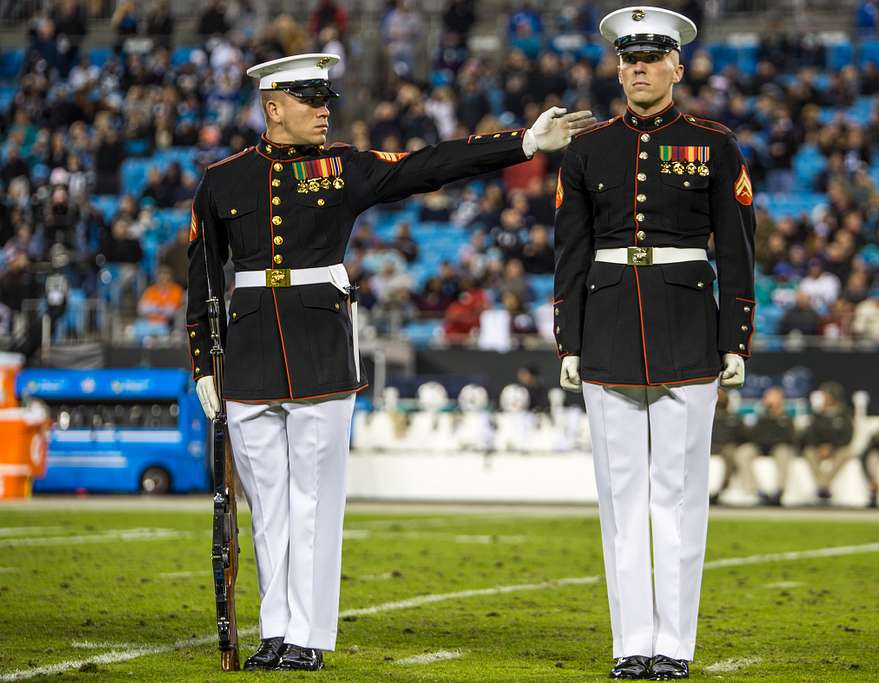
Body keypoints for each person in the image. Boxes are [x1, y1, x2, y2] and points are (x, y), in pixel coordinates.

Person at [186, 53, 594, 672]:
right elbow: (203, 281)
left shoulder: (344, 167)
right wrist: (203, 364)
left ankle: (309, 635)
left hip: (321, 346)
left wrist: (524, 143)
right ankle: (274, 628)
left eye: (326, 99)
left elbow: (426, 167)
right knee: (266, 505)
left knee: (316, 501)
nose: (325, 109)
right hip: (247, 350)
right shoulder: (222, 180)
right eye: (309, 100)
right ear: (273, 107)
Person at [553, 8, 755, 679]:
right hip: (608, 324)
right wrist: (568, 339)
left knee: (678, 494)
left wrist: (737, 338)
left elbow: (737, 248)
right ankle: (630, 642)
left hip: (689, 326)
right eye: (628, 59)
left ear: (677, 65)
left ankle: (674, 644)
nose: (638, 69)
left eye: (651, 58)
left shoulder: (714, 143)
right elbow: (571, 251)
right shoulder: (587, 149)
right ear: (618, 67)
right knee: (620, 499)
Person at [734, 386, 795, 506]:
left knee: (784, 452)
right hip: (760, 446)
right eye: (768, 397)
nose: (769, 400)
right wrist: (765, 412)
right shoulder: (761, 415)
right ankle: (756, 490)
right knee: (742, 453)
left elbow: (790, 438)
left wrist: (776, 414)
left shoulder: (786, 417)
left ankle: (779, 491)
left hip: (778, 447)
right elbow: (752, 435)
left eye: (773, 397)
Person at [800, 382, 855, 504]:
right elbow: (811, 434)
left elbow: (847, 435)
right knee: (808, 452)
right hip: (819, 448)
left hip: (838, 448)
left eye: (825, 395)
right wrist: (820, 447)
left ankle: (822, 486)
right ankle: (824, 487)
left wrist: (831, 447)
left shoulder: (844, 413)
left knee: (845, 453)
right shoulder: (817, 414)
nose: (822, 398)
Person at [709, 387, 746, 505]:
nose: (720, 398)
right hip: (709, 446)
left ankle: (722, 489)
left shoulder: (734, 418)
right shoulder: (706, 416)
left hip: (726, 447)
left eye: (723, 395)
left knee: (731, 452)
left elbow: (743, 437)